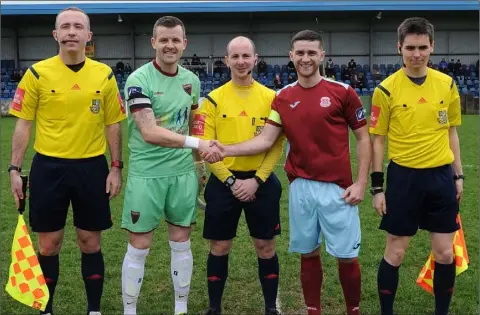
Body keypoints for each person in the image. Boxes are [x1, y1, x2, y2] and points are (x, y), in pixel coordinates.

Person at [204, 30, 371, 315]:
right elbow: (266, 140)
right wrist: (225, 150)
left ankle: (353, 310)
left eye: (311, 52)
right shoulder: (283, 97)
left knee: (346, 255)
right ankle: (312, 310)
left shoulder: (343, 92)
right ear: (291, 56)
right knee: (308, 252)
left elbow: (364, 138)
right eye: (300, 53)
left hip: (338, 188)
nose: (306, 58)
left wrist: (361, 182)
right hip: (301, 188)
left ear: (322, 55)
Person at [8, 7, 126, 315]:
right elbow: (23, 124)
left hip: (92, 167)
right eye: (65, 26)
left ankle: (94, 309)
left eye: (78, 27)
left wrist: (116, 167)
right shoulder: (36, 73)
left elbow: (113, 123)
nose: (71, 31)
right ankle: (47, 309)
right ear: (55, 35)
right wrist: (14, 169)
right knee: (49, 245)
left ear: (88, 36)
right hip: (49, 168)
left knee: (90, 243)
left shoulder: (105, 74)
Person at [120, 16, 219, 315]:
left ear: (184, 43)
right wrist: (198, 145)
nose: (170, 45)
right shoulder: (138, 79)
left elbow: (191, 122)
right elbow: (149, 132)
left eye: (176, 39)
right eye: (163, 39)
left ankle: (181, 308)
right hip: (146, 175)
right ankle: (129, 310)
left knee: (181, 241)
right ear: (153, 43)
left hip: (181, 175)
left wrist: (198, 165)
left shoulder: (192, 80)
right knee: (139, 245)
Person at [369, 17, 463, 315]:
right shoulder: (385, 90)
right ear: (399, 48)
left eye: (423, 47)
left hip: (440, 178)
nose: (417, 54)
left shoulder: (447, 84)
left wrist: (457, 175)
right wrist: (377, 187)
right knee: (395, 252)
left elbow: (452, 132)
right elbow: (378, 141)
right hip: (404, 179)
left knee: (445, 253)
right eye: (410, 47)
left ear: (432, 47)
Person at [192, 36, 284, 315]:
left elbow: (276, 144)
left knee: (265, 246)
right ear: (226, 60)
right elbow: (205, 147)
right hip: (224, 183)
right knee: (220, 245)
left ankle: (270, 307)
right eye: (236, 56)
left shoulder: (272, 98)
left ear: (256, 59)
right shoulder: (211, 100)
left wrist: (256, 179)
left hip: (262, 182)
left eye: (247, 56)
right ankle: (214, 308)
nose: (242, 62)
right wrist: (231, 181)